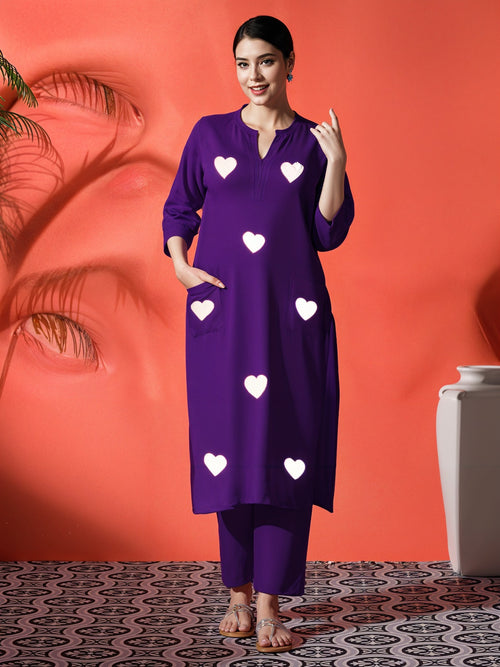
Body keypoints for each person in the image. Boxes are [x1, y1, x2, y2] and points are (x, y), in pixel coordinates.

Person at [162, 15, 354, 652]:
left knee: (286, 447)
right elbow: (179, 207)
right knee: (229, 448)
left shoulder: (312, 143)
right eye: (244, 63)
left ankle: (271, 603)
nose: (254, 75)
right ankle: (238, 595)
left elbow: (327, 232)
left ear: (290, 63)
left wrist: (336, 163)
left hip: (291, 319)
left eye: (266, 61)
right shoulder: (209, 134)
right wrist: (182, 265)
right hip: (223, 317)